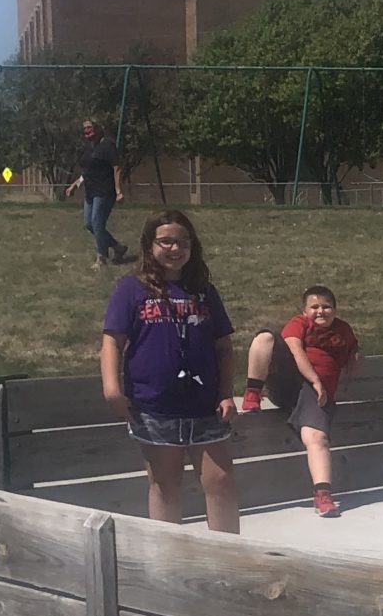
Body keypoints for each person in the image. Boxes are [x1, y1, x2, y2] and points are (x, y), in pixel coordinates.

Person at [101, 211, 241, 533]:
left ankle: (229, 557)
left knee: (220, 480)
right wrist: (112, 389)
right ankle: (167, 559)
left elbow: (224, 347)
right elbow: (112, 342)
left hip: (206, 407)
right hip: (155, 408)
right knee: (166, 484)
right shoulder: (131, 289)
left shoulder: (203, 291)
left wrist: (225, 393)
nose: (175, 248)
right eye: (166, 241)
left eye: (183, 242)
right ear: (150, 246)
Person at [240, 285, 360, 518]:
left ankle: (323, 495)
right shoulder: (299, 324)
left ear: (335, 310)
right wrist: (315, 379)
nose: (320, 311)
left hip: (315, 396)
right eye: (314, 307)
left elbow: (353, 354)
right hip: (291, 382)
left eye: (326, 307)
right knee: (265, 337)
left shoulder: (343, 330)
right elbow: (294, 349)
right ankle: (253, 393)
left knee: (317, 437)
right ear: (304, 311)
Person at [66, 118, 130, 267]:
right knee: (89, 224)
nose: (86, 131)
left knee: (97, 223)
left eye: (89, 127)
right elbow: (87, 171)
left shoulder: (108, 145)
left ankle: (101, 258)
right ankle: (117, 247)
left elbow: (117, 168)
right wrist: (75, 185)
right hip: (90, 191)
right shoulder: (90, 148)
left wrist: (118, 190)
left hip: (104, 192)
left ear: (98, 127)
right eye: (85, 129)